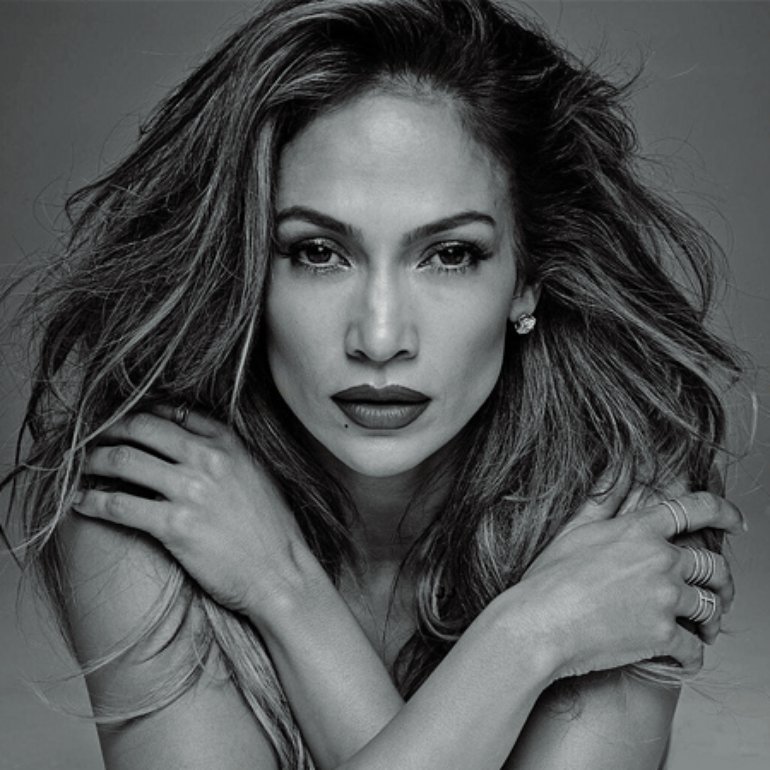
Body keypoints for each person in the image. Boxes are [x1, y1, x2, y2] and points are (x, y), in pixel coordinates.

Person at [1, 0, 747, 768]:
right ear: (245, 268)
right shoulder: (158, 493)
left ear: (528, 279)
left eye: (450, 255)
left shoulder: (619, 509)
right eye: (319, 252)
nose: (381, 340)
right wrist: (535, 634)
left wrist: (285, 589)